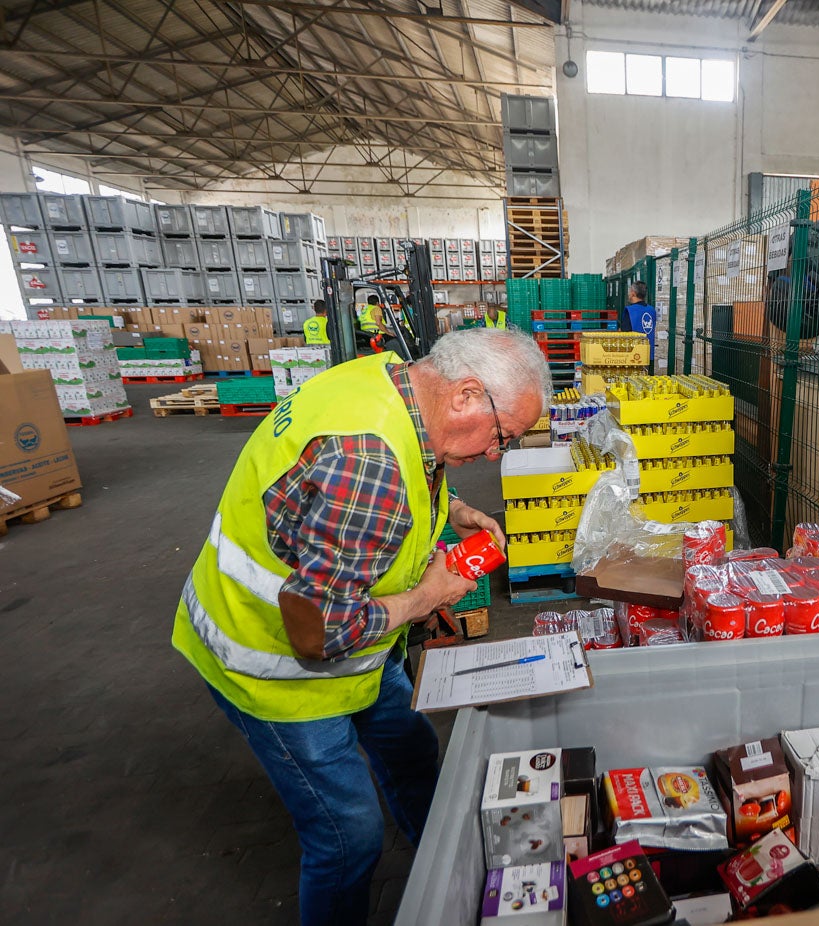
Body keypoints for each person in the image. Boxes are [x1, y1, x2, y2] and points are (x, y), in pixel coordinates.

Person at [170, 328, 549, 926]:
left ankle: (451, 874)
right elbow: (320, 633)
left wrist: (452, 510)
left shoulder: (390, 383)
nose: (498, 453)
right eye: (504, 435)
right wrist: (425, 597)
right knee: (348, 836)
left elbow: (398, 466)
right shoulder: (367, 466)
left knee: (415, 756)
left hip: (358, 654)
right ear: (466, 395)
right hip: (277, 668)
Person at [621, 281, 657, 370]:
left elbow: (625, 333)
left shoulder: (630, 311)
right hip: (648, 353)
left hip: (633, 355)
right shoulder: (651, 310)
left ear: (633, 294)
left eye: (629, 292)